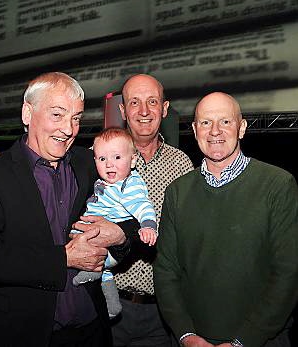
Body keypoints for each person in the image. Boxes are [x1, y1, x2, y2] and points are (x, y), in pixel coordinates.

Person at [0, 72, 138, 347]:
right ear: (27, 113)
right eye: (57, 115)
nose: (68, 129)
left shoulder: (89, 162)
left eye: (76, 118)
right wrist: (64, 258)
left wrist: (119, 233)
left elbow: (135, 213)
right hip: (21, 335)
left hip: (91, 332)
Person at [154, 92, 298, 347]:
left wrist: (244, 340)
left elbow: (288, 274)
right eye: (206, 122)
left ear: (241, 128)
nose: (215, 131)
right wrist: (186, 334)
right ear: (195, 129)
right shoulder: (177, 191)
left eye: (226, 122)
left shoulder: (278, 185)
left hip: (261, 341)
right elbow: (166, 271)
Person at [110, 74, 194, 346]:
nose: (144, 111)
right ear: (123, 111)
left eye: (152, 102)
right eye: (134, 102)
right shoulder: (100, 159)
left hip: (162, 315)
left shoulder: (181, 165)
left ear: (165, 108)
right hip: (108, 307)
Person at [71, 128, 157, 318]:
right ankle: (113, 305)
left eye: (117, 157)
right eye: (102, 159)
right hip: (103, 247)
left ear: (133, 160)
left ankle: (95, 269)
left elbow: (143, 206)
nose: (109, 164)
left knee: (89, 257)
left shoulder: (128, 185)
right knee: (106, 275)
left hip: (108, 248)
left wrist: (149, 225)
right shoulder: (106, 182)